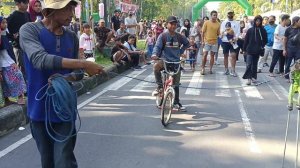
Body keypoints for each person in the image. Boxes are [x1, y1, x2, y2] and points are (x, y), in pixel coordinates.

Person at [19, 0, 104, 167]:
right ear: (50, 10)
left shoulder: (71, 36)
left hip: (64, 107)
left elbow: (78, 74)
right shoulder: (29, 30)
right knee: (48, 161)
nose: (71, 13)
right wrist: (84, 64)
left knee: (63, 160)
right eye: (66, 8)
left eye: (72, 8)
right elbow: (40, 59)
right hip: (39, 109)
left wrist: (65, 79)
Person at [151, 16, 189, 111]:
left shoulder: (179, 36)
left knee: (175, 84)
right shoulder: (163, 36)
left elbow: (187, 43)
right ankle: (159, 87)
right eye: (171, 24)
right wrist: (155, 54)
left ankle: (176, 103)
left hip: (176, 62)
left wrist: (181, 52)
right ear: (167, 24)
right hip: (165, 61)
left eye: (175, 24)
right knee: (156, 66)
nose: (173, 26)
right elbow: (157, 47)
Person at [0, 17, 26, 106]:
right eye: (3, 23)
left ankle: (20, 97)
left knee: (17, 75)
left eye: (5, 22)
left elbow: (8, 47)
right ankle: (6, 100)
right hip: (3, 62)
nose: (5, 24)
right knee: (4, 82)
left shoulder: (5, 34)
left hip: (7, 61)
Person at [7, 0, 31, 80]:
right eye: (24, 3)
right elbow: (3, 29)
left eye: (27, 3)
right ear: (17, 4)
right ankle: (23, 89)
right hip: (18, 46)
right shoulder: (12, 16)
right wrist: (12, 37)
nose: (27, 5)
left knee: (29, 66)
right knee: (21, 68)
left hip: (28, 46)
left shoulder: (27, 14)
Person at [243, 15, 267, 85]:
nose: (258, 22)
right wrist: (244, 49)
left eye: (259, 21)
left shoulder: (263, 30)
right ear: (254, 21)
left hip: (257, 50)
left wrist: (262, 46)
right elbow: (246, 40)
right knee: (249, 64)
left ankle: (253, 77)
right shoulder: (250, 30)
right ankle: (248, 78)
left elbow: (265, 40)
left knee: (254, 64)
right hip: (249, 50)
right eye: (256, 21)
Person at [220, 10, 240, 77]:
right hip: (225, 41)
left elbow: (238, 32)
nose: (230, 15)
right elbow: (222, 31)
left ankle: (233, 70)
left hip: (233, 41)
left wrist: (235, 37)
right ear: (227, 14)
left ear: (233, 14)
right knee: (225, 55)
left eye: (231, 13)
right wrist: (227, 33)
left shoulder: (237, 23)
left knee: (233, 55)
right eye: (229, 13)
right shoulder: (223, 22)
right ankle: (226, 70)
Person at [201, 10, 220, 75]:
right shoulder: (206, 22)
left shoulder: (218, 23)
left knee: (212, 56)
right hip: (206, 42)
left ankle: (210, 69)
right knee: (205, 54)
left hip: (214, 42)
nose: (215, 16)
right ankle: (203, 68)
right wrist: (202, 41)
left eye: (216, 15)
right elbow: (202, 32)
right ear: (211, 16)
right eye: (214, 15)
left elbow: (218, 33)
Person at [283, 16, 300, 82]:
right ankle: (287, 77)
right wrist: (284, 49)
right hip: (289, 49)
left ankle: (295, 77)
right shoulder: (288, 29)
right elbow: (285, 39)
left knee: (297, 64)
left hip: (298, 50)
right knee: (288, 64)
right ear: (295, 22)